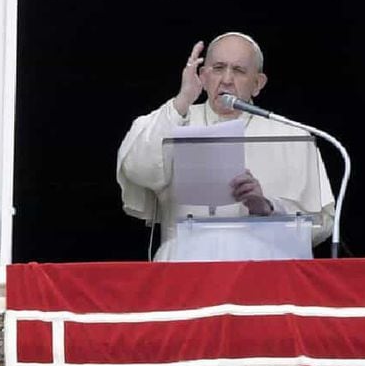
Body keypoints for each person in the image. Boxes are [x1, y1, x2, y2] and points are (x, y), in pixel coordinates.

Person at [116, 32, 335, 261]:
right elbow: (138, 169)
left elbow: (323, 223)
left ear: (258, 84)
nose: (227, 79)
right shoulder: (174, 120)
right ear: (203, 75)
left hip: (265, 281)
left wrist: (267, 208)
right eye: (218, 68)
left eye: (239, 71)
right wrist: (183, 98)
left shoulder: (290, 135)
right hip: (186, 272)